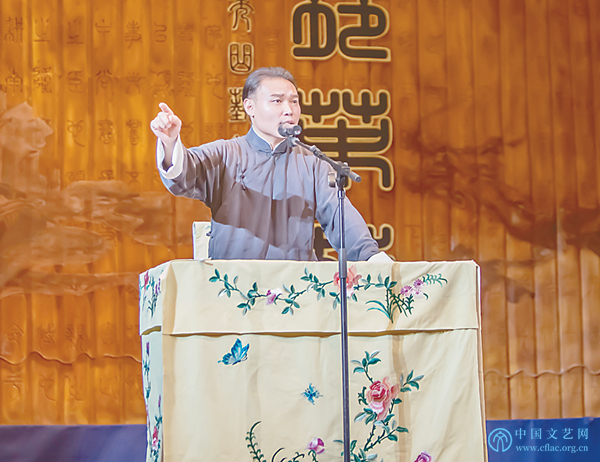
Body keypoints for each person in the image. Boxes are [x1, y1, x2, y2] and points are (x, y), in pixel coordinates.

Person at [150, 66, 390, 262]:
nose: (289, 110)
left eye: (294, 102)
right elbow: (184, 173)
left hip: (295, 291)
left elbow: (339, 215)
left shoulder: (313, 163)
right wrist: (170, 143)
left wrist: (371, 257)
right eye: (277, 101)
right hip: (234, 289)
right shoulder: (226, 153)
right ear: (250, 107)